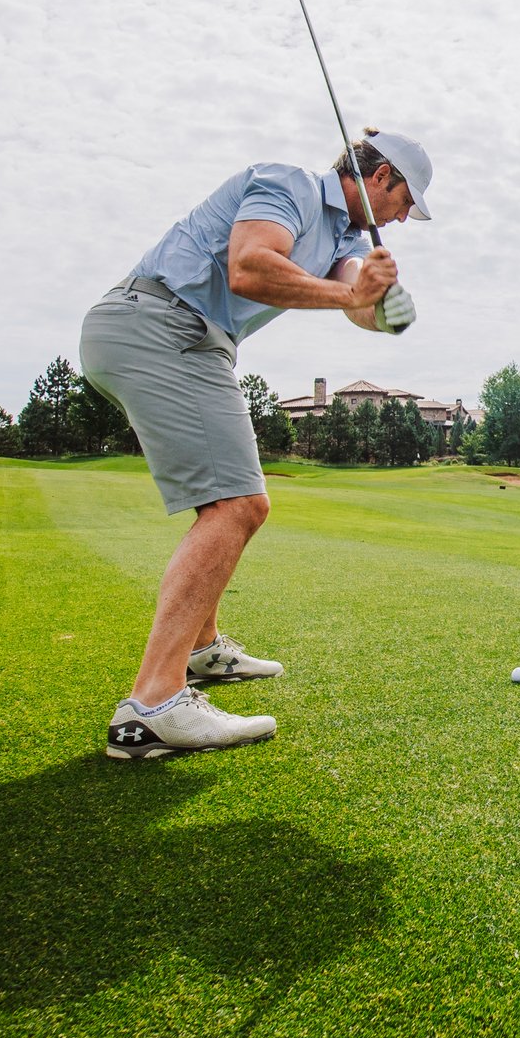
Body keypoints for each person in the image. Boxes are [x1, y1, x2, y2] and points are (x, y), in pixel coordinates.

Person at [80, 130, 431, 759]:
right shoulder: (288, 184)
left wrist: (380, 309)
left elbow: (351, 300)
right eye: (407, 200)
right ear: (380, 178)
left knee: (226, 500)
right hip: (163, 324)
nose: (405, 217)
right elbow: (250, 267)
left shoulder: (346, 239)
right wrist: (355, 295)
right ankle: (151, 707)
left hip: (185, 337)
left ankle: (202, 649)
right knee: (239, 505)